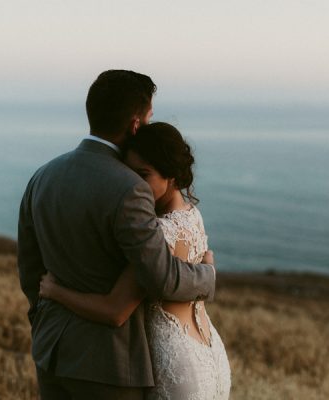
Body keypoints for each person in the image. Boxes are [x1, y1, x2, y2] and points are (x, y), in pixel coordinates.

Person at [17, 70, 217, 399]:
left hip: (50, 350)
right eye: (150, 117)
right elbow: (161, 277)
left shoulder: (43, 176)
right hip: (109, 365)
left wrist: (43, 322)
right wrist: (207, 276)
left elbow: (28, 265)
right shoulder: (131, 189)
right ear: (136, 125)